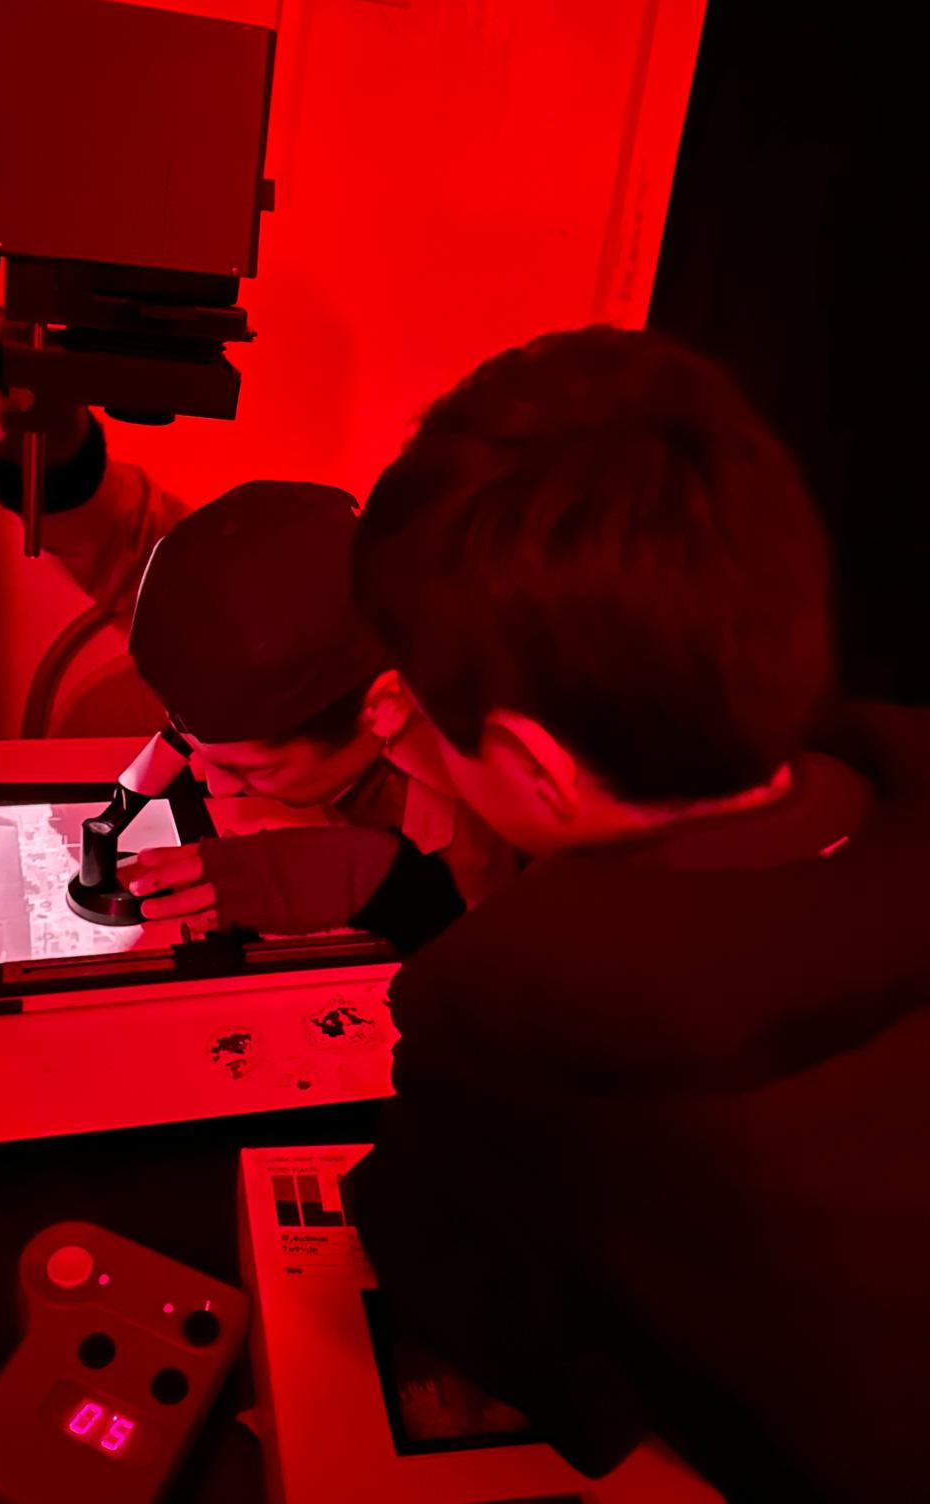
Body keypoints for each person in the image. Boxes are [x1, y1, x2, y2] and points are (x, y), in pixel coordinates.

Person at [338, 325, 929, 1502]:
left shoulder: (520, 1028)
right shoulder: (892, 767)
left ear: (536, 765)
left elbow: (420, 1245)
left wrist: (480, 867)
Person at [0, 316, 518, 937]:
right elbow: (134, 549)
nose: (215, 783)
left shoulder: (503, 739)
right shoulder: (314, 592)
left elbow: (532, 932)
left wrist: (397, 888)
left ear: (382, 706)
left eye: (253, 770)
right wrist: (48, 440)